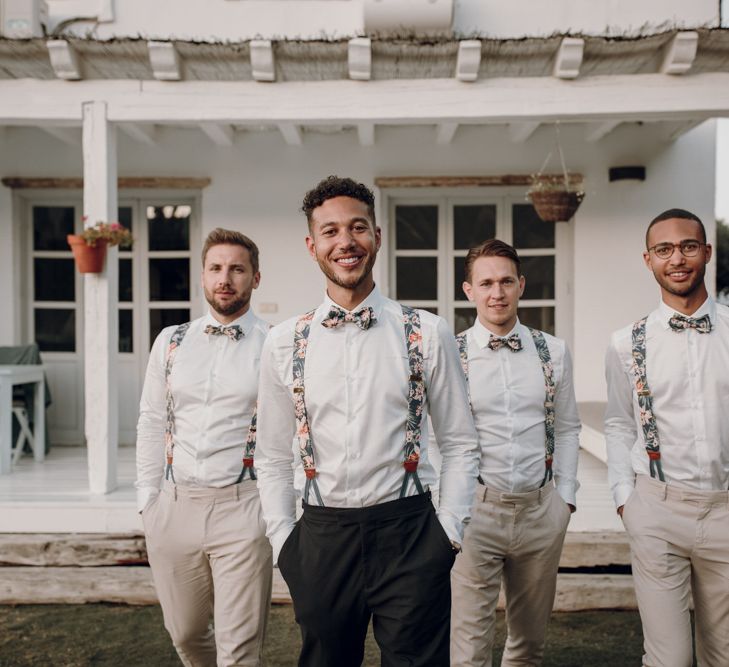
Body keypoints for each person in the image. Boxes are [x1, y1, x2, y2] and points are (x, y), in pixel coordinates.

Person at [254, 175, 480, 667]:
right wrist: (284, 543)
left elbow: (461, 443)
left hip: (412, 535)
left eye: (357, 228)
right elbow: (270, 455)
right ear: (313, 245)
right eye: (331, 231)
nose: (346, 242)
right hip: (319, 539)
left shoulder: (427, 331)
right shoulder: (284, 341)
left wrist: (449, 535)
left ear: (377, 236)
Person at [136, 228, 272, 667]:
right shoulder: (171, 341)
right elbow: (152, 420)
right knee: (187, 635)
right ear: (202, 276)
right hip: (174, 507)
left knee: (239, 650)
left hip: (243, 507)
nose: (225, 278)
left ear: (255, 277)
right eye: (216, 268)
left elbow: (293, 431)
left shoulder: (277, 344)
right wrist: (148, 501)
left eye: (237, 268)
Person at [605, 208, 729, 667]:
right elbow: (619, 423)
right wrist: (625, 498)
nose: (677, 258)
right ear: (648, 259)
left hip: (726, 508)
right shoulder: (626, 341)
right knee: (670, 659)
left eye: (688, 246)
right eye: (664, 249)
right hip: (657, 510)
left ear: (706, 252)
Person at [450, 239, 581, 667]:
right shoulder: (451, 354)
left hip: (540, 511)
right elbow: (437, 436)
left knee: (528, 645)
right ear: (468, 290)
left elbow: (566, 427)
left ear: (520, 284)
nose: (497, 292)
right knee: (469, 647)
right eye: (485, 282)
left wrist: (566, 498)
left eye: (506, 281)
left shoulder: (553, 351)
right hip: (475, 512)